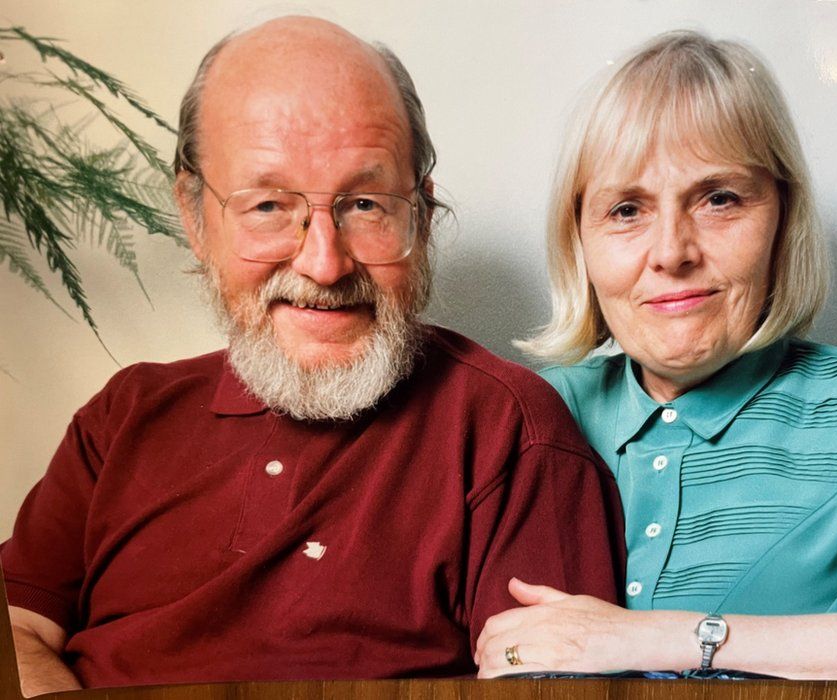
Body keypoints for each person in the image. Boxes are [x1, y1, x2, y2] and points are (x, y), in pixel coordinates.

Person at [0, 17, 623, 694]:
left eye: (363, 203)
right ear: (194, 217)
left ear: (421, 212)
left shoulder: (510, 433)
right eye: (268, 204)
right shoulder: (123, 415)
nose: (324, 264)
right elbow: (19, 629)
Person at [476, 31, 837, 681]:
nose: (672, 251)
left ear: (784, 216)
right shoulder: (518, 419)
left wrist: (654, 638)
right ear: (579, 240)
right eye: (626, 209)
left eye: (719, 199)